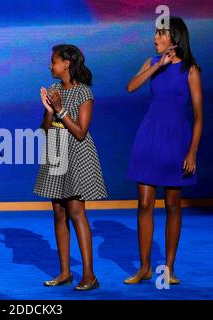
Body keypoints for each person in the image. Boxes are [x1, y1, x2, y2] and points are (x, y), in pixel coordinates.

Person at [125, 16, 203, 285]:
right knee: (144, 203)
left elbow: (199, 116)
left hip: (175, 142)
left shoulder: (191, 70)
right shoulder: (151, 63)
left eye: (159, 34)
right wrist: (158, 66)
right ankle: (145, 267)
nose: (154, 38)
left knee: (172, 205)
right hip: (148, 138)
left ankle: (168, 268)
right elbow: (131, 87)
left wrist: (192, 152)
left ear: (174, 37)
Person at [34, 44, 107, 291]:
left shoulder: (84, 93)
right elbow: (45, 129)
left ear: (66, 63)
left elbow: (80, 131)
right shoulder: (54, 89)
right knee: (58, 213)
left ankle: (89, 275)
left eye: (53, 61)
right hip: (55, 153)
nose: (50, 65)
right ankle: (65, 272)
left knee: (76, 212)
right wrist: (47, 112)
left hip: (76, 155)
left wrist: (59, 109)